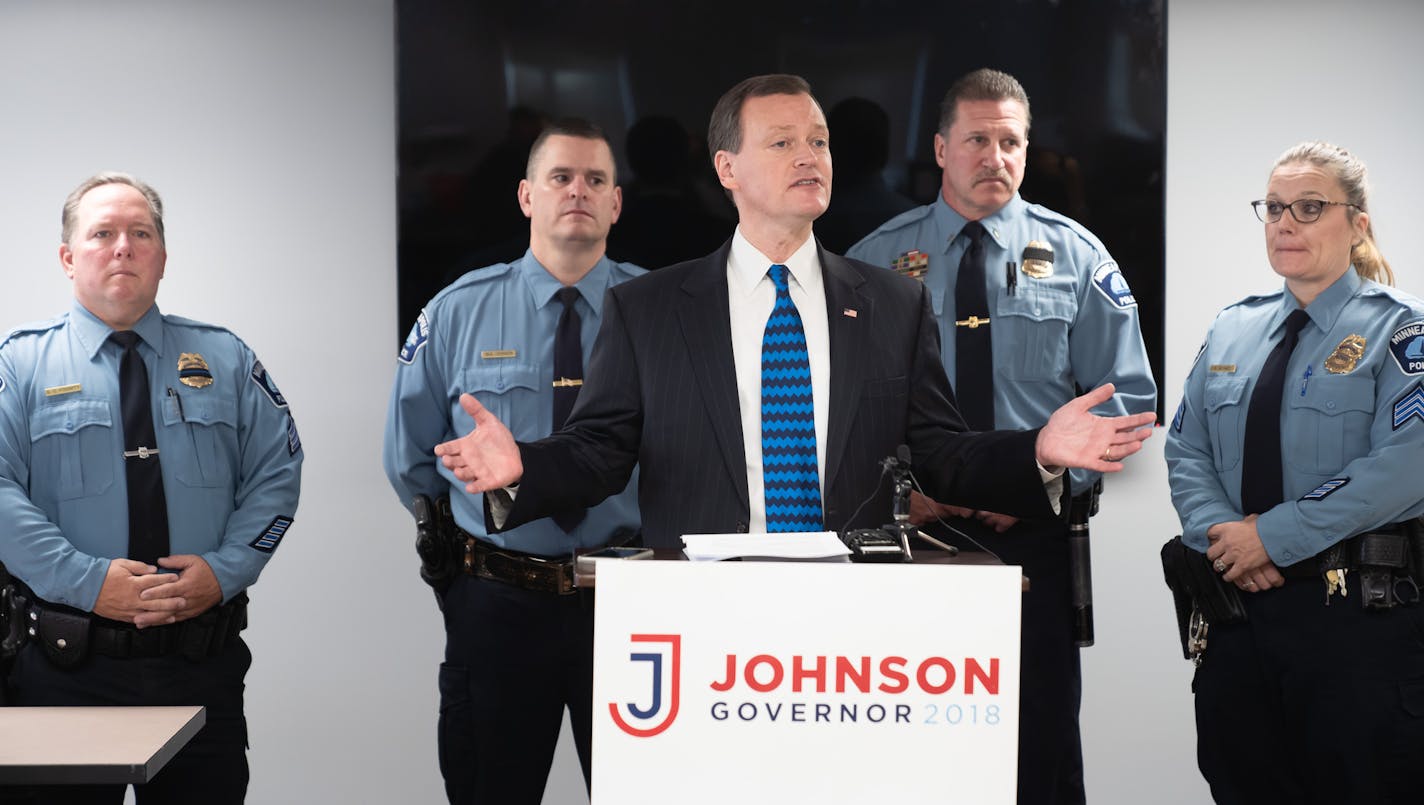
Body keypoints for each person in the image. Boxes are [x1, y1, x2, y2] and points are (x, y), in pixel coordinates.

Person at [433, 74, 1156, 554]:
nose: (808, 155)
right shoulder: (649, 309)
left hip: (850, 632)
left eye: (818, 140)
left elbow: (943, 453)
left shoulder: (895, 304)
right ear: (727, 169)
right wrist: (523, 466)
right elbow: (596, 453)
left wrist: (1036, 450)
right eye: (781, 142)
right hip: (702, 624)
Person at [847, 68, 1156, 805]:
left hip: (1033, 544)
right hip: (912, 542)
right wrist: (902, 497)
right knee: (911, 754)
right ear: (941, 147)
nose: (995, 156)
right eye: (978, 139)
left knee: (1038, 755)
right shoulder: (873, 259)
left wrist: (1043, 481)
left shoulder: (1078, 255)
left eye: (1010, 141)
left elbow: (1128, 402)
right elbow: (842, 409)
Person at [0, 172, 303, 803]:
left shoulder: (224, 358)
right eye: (103, 233)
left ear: (162, 256)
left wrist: (225, 572)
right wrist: (87, 583)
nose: (123, 248)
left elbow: (278, 473)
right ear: (67, 257)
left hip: (199, 662)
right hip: (65, 670)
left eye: (141, 234)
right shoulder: (18, 365)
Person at [382, 118, 644, 804]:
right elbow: (409, 459)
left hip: (631, 607)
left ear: (617, 203)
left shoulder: (657, 312)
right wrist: (466, 569)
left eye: (596, 179)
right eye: (560, 177)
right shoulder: (458, 310)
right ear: (527, 195)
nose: (577, 191)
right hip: (498, 605)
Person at [1165, 141, 1424, 803]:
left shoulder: (1402, 329)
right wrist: (1226, 534)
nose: (1285, 223)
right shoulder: (1232, 330)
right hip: (1237, 618)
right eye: (1275, 208)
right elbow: (1186, 447)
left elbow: (1402, 466)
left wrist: (1270, 537)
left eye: (1310, 208)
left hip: (1355, 623)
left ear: (1357, 222)